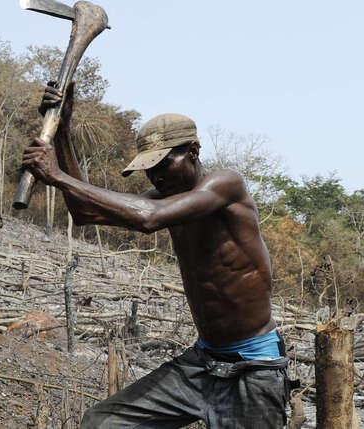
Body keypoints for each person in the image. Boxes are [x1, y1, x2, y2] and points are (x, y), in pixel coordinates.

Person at [22, 83, 290, 429]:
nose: (156, 175)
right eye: (149, 168)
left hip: (253, 369)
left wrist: (57, 175)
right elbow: (85, 212)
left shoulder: (226, 185)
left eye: (164, 163)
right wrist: (63, 130)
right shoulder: (162, 196)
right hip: (203, 363)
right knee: (101, 424)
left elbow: (148, 219)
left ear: (193, 151)